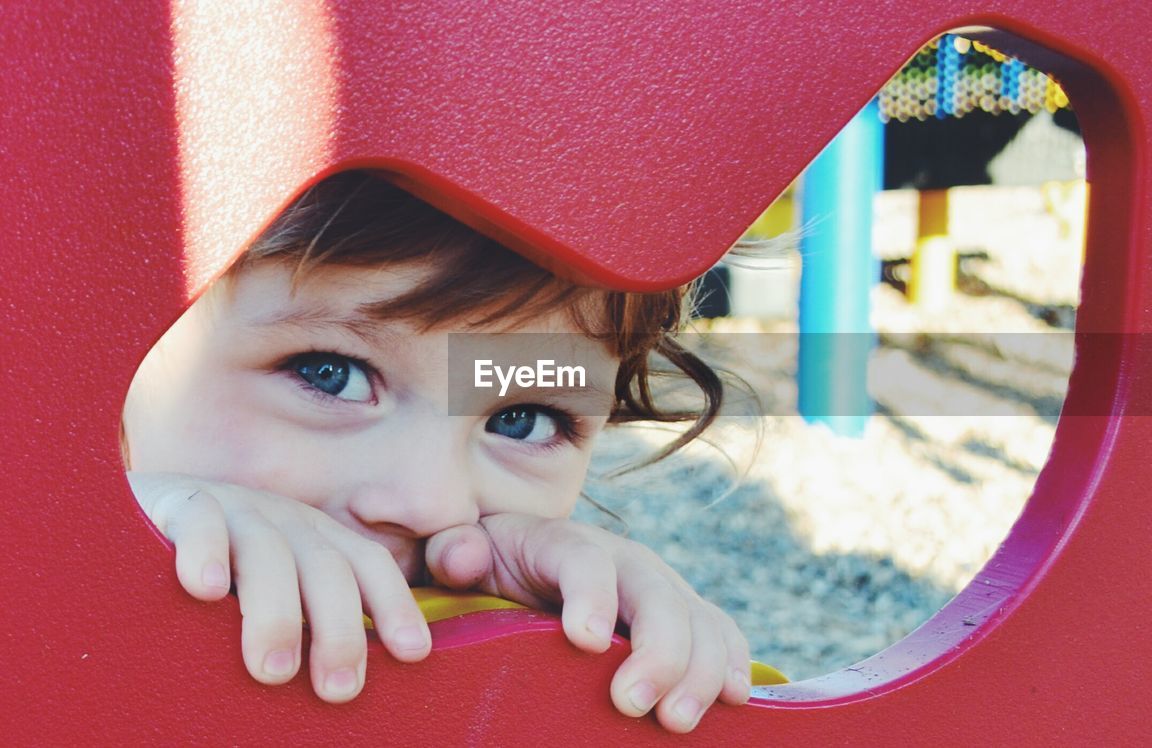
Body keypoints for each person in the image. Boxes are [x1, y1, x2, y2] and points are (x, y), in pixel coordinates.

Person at [122, 170, 750, 734]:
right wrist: (118, 525)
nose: (431, 507)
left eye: (522, 420)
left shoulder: (530, 589)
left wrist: (611, 641)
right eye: (329, 374)